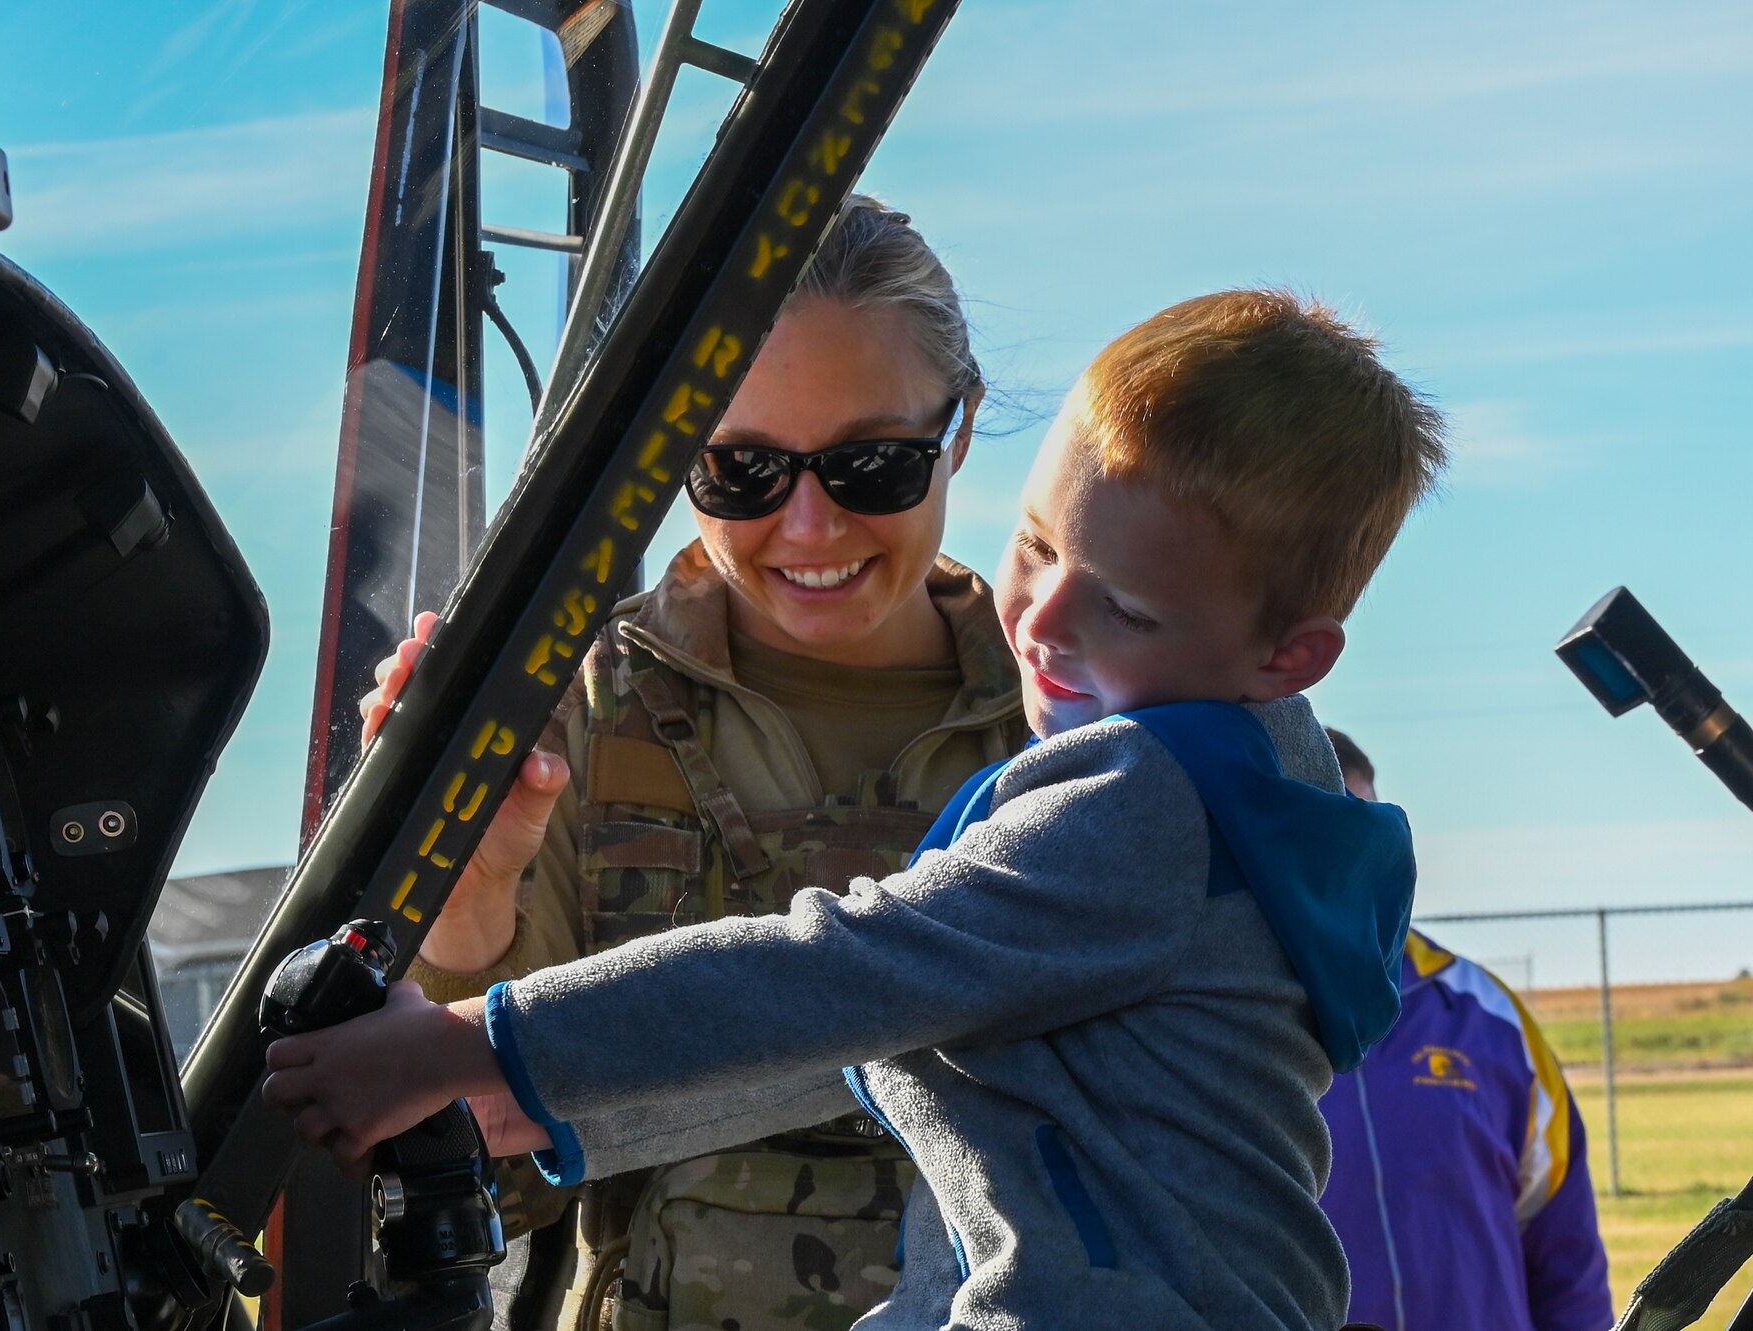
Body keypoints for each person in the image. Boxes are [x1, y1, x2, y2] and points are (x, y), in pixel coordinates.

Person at [274, 289, 1448, 1330]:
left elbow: (840, 973)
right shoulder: (1251, 789)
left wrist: (475, 1041)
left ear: (1287, 655)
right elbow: (888, 1033)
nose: (1041, 622)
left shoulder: (1143, 802)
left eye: (1127, 607)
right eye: (1037, 546)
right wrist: (547, 1099)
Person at [358, 194, 1029, 1331]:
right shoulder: (574, 709)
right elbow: (495, 1191)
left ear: (956, 429)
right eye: (743, 471)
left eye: (871, 464)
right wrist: (467, 907)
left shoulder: (1068, 724)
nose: (808, 527)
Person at [1320, 728, 1614, 1331]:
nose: (1358, 851)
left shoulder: (1487, 1017)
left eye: (1373, 825)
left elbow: (1566, 1245)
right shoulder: (1217, 1020)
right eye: (1327, 826)